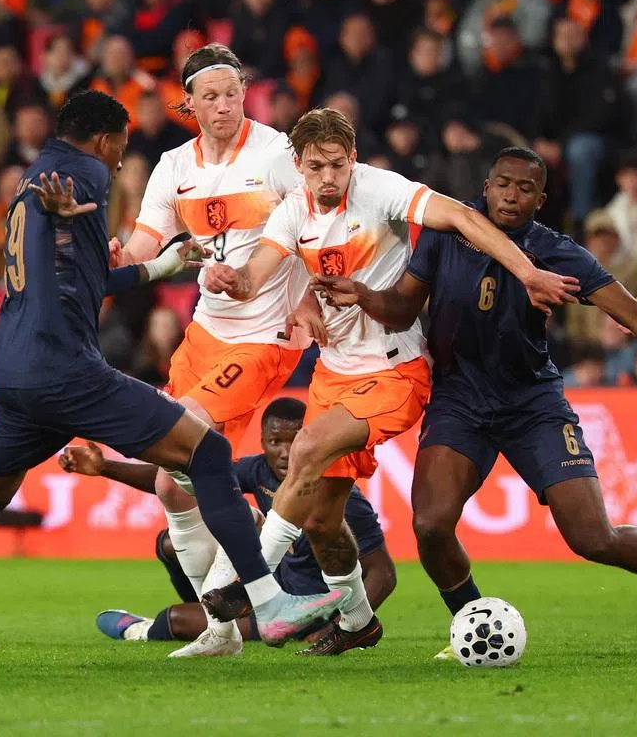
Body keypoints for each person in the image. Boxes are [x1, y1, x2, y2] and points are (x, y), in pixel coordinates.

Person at [0, 91, 345, 667]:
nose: (118, 160)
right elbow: (91, 280)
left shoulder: (32, 179)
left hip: (14, 374)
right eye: (120, 147)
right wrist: (145, 258)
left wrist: (161, 263)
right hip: (65, 369)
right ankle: (267, 601)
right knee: (208, 453)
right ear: (107, 139)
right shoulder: (84, 173)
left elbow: (82, 276)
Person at [304, 147, 637, 659]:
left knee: (592, 538)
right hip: (460, 399)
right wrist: (363, 294)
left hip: (533, 403)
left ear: (542, 200)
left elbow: (634, 314)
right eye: (503, 184)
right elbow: (401, 309)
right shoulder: (447, 233)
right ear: (486, 187)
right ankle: (473, 621)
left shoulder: (557, 252)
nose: (511, 195)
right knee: (430, 525)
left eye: (525, 188)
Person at [199, 109, 586, 655]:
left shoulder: (380, 189)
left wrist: (527, 271)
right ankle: (359, 622)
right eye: (316, 168)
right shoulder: (291, 211)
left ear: (352, 159)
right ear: (300, 167)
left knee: (306, 447)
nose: (328, 178)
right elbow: (253, 277)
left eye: (338, 165)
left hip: (394, 371)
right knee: (320, 520)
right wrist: (224, 279)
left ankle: (256, 588)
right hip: (334, 373)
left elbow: (465, 220)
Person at [105, 44, 319, 658]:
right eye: (212, 96)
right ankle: (221, 631)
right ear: (189, 104)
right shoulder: (174, 165)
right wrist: (119, 258)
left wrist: (307, 301)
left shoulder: (278, 153)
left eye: (234, 92)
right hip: (205, 331)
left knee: (188, 434)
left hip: (263, 334)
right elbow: (149, 238)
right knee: (172, 487)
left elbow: (314, 225)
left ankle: (257, 568)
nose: (226, 105)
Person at [62, 398, 396, 647]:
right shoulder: (259, 470)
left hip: (310, 612)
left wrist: (340, 624)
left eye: (293, 441)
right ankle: (208, 610)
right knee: (169, 544)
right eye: (275, 441)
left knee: (175, 620)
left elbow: (383, 572)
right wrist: (106, 467)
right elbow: (184, 478)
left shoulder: (338, 498)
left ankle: (141, 630)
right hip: (266, 589)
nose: (283, 452)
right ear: (263, 441)